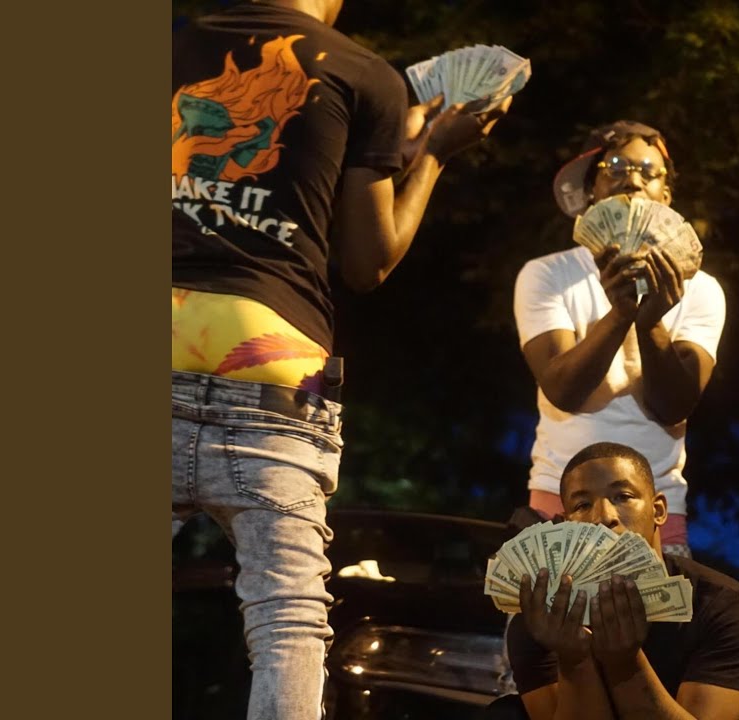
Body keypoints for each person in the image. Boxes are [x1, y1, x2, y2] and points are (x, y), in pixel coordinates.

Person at [170, 2, 509, 718]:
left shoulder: (174, 42)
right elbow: (367, 261)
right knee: (286, 617)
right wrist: (434, 155)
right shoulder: (365, 75)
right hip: (272, 361)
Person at [512, 121, 726, 558]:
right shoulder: (548, 274)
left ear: (666, 196)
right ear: (591, 191)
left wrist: (649, 323)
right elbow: (562, 389)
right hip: (560, 501)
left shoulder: (701, 289)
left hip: (656, 507)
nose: (633, 179)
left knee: (656, 606)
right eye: (615, 167)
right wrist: (621, 314)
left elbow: (674, 405)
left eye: (649, 172)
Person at [505, 441, 739, 719]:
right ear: (565, 524)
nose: (603, 517)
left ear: (659, 510)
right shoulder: (541, 620)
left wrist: (626, 663)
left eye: (623, 497)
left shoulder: (725, 607)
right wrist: (575, 661)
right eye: (582, 505)